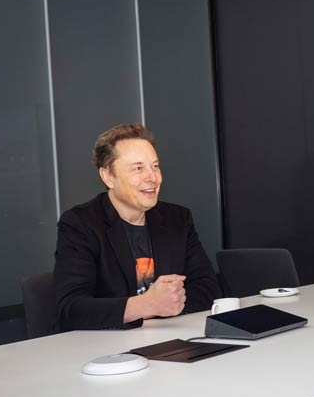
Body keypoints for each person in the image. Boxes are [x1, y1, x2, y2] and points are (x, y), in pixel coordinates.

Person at [54, 123, 220, 330]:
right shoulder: (81, 224)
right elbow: (70, 309)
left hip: (170, 338)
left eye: (155, 166)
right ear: (108, 176)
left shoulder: (177, 219)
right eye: (138, 168)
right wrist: (144, 306)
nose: (152, 178)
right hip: (107, 351)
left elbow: (208, 288)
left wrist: (165, 307)